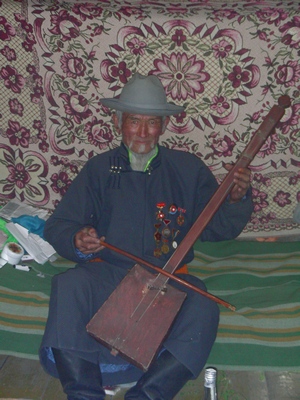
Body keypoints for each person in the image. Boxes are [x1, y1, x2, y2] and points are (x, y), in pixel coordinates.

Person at [39, 73, 253, 400]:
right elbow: (60, 225)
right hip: (107, 274)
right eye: (134, 121)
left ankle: (147, 395)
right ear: (118, 121)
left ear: (163, 126)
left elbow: (217, 227)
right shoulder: (99, 170)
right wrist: (77, 240)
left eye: (151, 123)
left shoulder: (188, 169)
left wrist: (236, 199)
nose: (142, 132)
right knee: (69, 285)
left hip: (165, 279)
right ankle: (84, 394)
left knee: (203, 305)